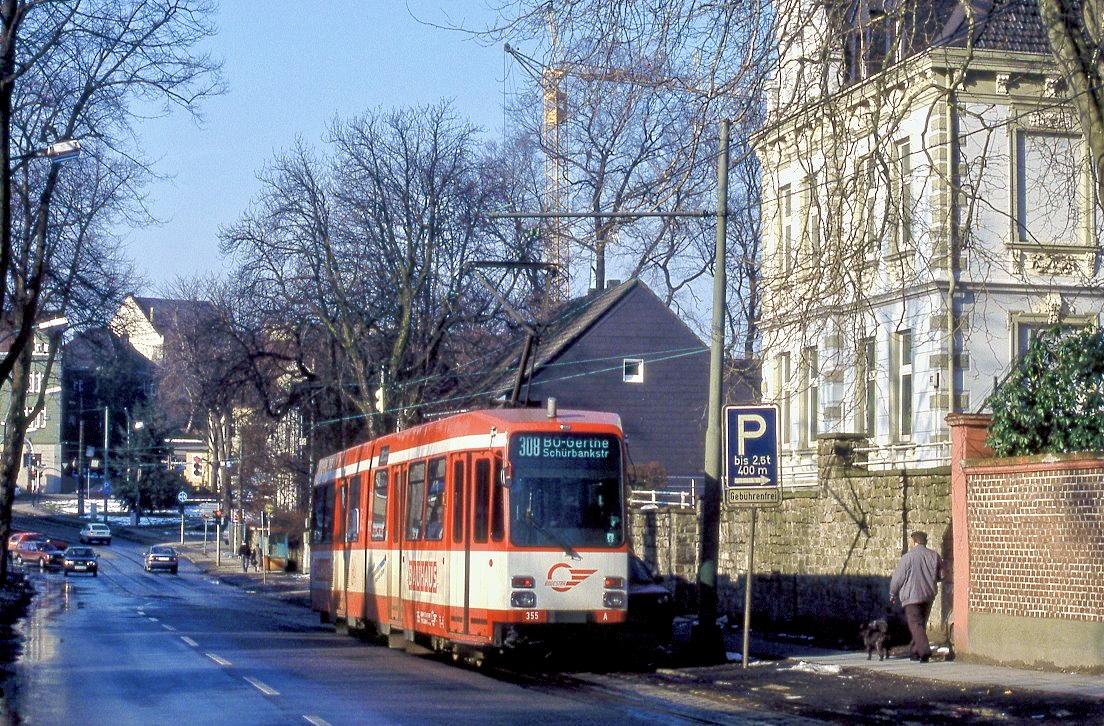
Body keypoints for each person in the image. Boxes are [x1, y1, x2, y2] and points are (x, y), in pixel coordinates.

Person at [890, 531, 943, 662]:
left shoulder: (907, 557)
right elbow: (941, 576)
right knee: (921, 625)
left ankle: (924, 651)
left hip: (912, 597)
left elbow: (898, 578)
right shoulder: (934, 556)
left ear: (913, 542)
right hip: (928, 596)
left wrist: (892, 593)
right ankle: (915, 652)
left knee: (915, 625)